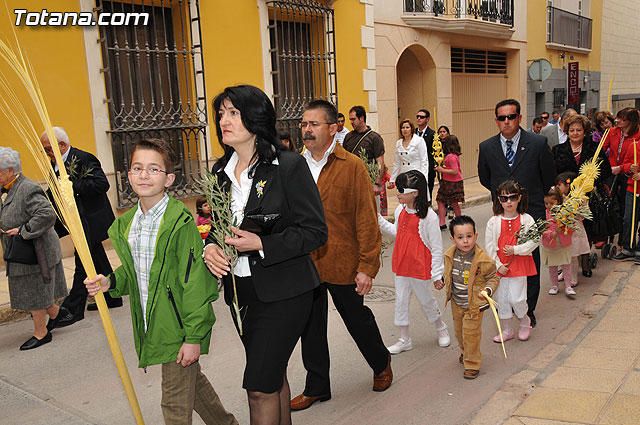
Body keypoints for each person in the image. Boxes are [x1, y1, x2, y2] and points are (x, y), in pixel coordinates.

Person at [84, 138, 237, 425]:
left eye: (154, 169)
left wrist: (193, 338)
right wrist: (110, 282)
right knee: (193, 388)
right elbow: (137, 272)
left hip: (179, 327)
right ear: (127, 175)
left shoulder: (180, 223)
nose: (144, 175)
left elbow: (195, 285)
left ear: (169, 179)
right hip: (153, 323)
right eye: (137, 168)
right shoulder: (127, 224)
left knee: (174, 407)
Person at [202, 85, 327, 424]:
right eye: (221, 114)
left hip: (286, 292)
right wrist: (210, 246)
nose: (223, 120)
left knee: (258, 387)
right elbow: (216, 227)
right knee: (273, 376)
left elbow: (315, 232)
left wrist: (261, 244)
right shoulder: (220, 174)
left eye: (233, 112)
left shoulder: (287, 166)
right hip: (242, 294)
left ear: (255, 118)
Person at [291, 99, 391, 412]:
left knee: (356, 319)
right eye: (304, 124)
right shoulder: (293, 166)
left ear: (333, 128)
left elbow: (366, 218)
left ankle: (380, 362)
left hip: (344, 261)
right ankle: (317, 386)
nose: (307, 130)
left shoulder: (353, 166)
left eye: (314, 124)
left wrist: (367, 267)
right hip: (305, 263)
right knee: (311, 326)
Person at [477, 99, 555, 328]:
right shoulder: (487, 147)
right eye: (502, 118)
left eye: (511, 116)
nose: (507, 121)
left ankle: (527, 311)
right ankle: (506, 310)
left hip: (530, 213)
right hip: (503, 215)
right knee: (502, 261)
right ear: (496, 120)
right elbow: (486, 178)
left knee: (529, 261)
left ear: (520, 118)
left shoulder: (538, 143)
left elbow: (548, 176)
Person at [40, 127, 121, 331]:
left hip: (91, 220)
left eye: (49, 149)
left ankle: (73, 310)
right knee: (96, 257)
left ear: (62, 145)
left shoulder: (84, 158)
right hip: (76, 221)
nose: (47, 153)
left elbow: (101, 185)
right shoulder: (54, 164)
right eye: (45, 150)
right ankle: (113, 296)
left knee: (82, 262)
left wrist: (71, 186)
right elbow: (55, 192)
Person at [0, 147, 68, 350]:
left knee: (34, 292)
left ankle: (41, 333)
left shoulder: (27, 188)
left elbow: (47, 214)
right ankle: (56, 313)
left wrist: (23, 230)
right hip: (22, 252)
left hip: (36, 252)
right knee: (33, 290)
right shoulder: (8, 188)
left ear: (10, 171)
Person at [378, 170, 450, 354]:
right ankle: (404, 339)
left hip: (419, 266)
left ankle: (441, 327)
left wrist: (437, 274)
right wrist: (378, 220)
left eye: (402, 189)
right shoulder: (400, 209)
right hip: (401, 263)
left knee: (426, 299)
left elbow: (436, 248)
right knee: (401, 301)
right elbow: (397, 232)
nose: (398, 193)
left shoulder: (429, 217)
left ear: (415, 192)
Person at [435, 215, 499, 379]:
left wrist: (488, 291)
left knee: (471, 334)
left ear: (475, 236)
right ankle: (466, 352)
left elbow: (493, 277)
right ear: (452, 239)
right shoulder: (450, 255)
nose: (465, 241)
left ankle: (472, 363)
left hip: (473, 305)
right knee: (459, 333)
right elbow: (450, 273)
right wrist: (442, 281)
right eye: (460, 237)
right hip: (456, 302)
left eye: (469, 236)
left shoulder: (482, 259)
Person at [552, 114, 611, 278]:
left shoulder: (594, 148)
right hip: (566, 196)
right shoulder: (558, 149)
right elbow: (554, 173)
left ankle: (585, 263)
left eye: (579, 130)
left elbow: (606, 170)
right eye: (572, 130)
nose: (575, 133)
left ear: (585, 132)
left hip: (589, 196)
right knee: (566, 231)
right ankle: (566, 266)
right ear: (567, 131)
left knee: (585, 232)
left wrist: (590, 180)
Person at [485, 180, 537, 342]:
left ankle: (524, 320)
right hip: (501, 267)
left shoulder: (527, 220)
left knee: (517, 298)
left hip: (519, 264)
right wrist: (498, 266)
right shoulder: (493, 221)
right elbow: (490, 246)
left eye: (513, 197)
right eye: (504, 198)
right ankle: (507, 330)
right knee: (502, 299)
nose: (509, 202)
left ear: (519, 198)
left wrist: (516, 250)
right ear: (499, 200)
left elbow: (534, 241)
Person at [606, 108, 640, 259]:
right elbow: (626, 162)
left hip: (632, 180)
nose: (618, 121)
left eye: (622, 119)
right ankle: (627, 246)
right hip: (621, 178)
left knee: (634, 215)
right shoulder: (614, 133)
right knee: (626, 215)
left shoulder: (637, 138)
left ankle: (635, 247)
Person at [615, 110, 640, 263]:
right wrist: (629, 167)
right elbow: (624, 165)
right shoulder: (633, 146)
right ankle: (628, 247)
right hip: (632, 188)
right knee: (629, 218)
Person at [541, 189, 575, 297]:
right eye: (546, 203)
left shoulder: (565, 213)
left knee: (566, 265)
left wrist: (565, 228)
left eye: (551, 203)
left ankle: (568, 285)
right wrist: (551, 234)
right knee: (552, 266)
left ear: (558, 201)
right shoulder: (544, 213)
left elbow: (573, 226)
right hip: (550, 244)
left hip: (564, 242)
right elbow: (541, 228)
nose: (549, 206)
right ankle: (554, 285)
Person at [388, 119, 429, 189]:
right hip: (403, 174)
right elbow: (396, 163)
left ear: (411, 129)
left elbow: (424, 161)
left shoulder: (419, 141)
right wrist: (392, 179)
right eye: (403, 128)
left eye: (407, 127)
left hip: (416, 175)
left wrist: (424, 178)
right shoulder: (399, 143)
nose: (405, 130)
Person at [435, 135, 464, 230]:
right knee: (453, 202)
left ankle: (442, 222)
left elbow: (455, 170)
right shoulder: (454, 156)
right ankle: (458, 220)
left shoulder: (451, 157)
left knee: (441, 200)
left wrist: (442, 170)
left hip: (450, 182)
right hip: (453, 181)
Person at [415, 109, 437, 201]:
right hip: (415, 166)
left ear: (427, 119)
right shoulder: (413, 132)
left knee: (427, 192)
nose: (419, 119)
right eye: (418, 116)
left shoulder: (432, 134)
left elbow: (435, 152)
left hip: (428, 168)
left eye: (422, 117)